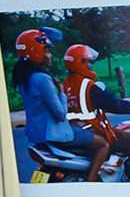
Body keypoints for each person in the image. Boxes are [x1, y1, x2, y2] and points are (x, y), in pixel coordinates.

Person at [13, 28, 110, 182]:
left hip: (38, 136)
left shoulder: (24, 79)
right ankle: (91, 184)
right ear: (36, 52)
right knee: (103, 144)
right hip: (57, 135)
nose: (51, 55)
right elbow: (60, 114)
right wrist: (61, 91)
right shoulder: (43, 79)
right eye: (47, 51)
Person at [63, 44, 130, 182]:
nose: (90, 66)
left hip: (73, 132)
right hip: (91, 131)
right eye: (89, 62)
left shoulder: (64, 85)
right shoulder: (89, 86)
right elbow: (116, 105)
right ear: (81, 63)